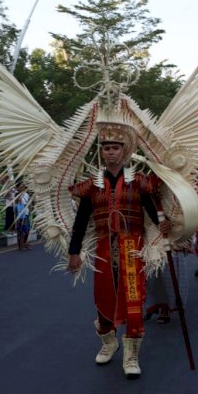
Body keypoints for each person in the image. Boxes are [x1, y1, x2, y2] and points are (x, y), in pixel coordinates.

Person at [67, 127, 171, 379]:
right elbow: (81, 221)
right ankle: (108, 342)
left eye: (115, 148)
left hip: (132, 246)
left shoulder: (139, 181)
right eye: (106, 148)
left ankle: (131, 353)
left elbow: (153, 210)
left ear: (125, 151)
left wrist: (163, 223)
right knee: (103, 295)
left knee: (133, 299)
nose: (111, 152)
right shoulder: (92, 185)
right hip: (104, 247)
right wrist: (74, 251)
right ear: (101, 152)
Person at [14, 183, 31, 250]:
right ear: (18, 188)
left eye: (23, 187)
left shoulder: (26, 194)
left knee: (27, 230)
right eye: (21, 187)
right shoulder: (16, 194)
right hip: (20, 215)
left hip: (26, 213)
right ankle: (20, 246)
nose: (23, 188)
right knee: (21, 230)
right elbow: (16, 204)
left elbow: (28, 202)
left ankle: (24, 243)